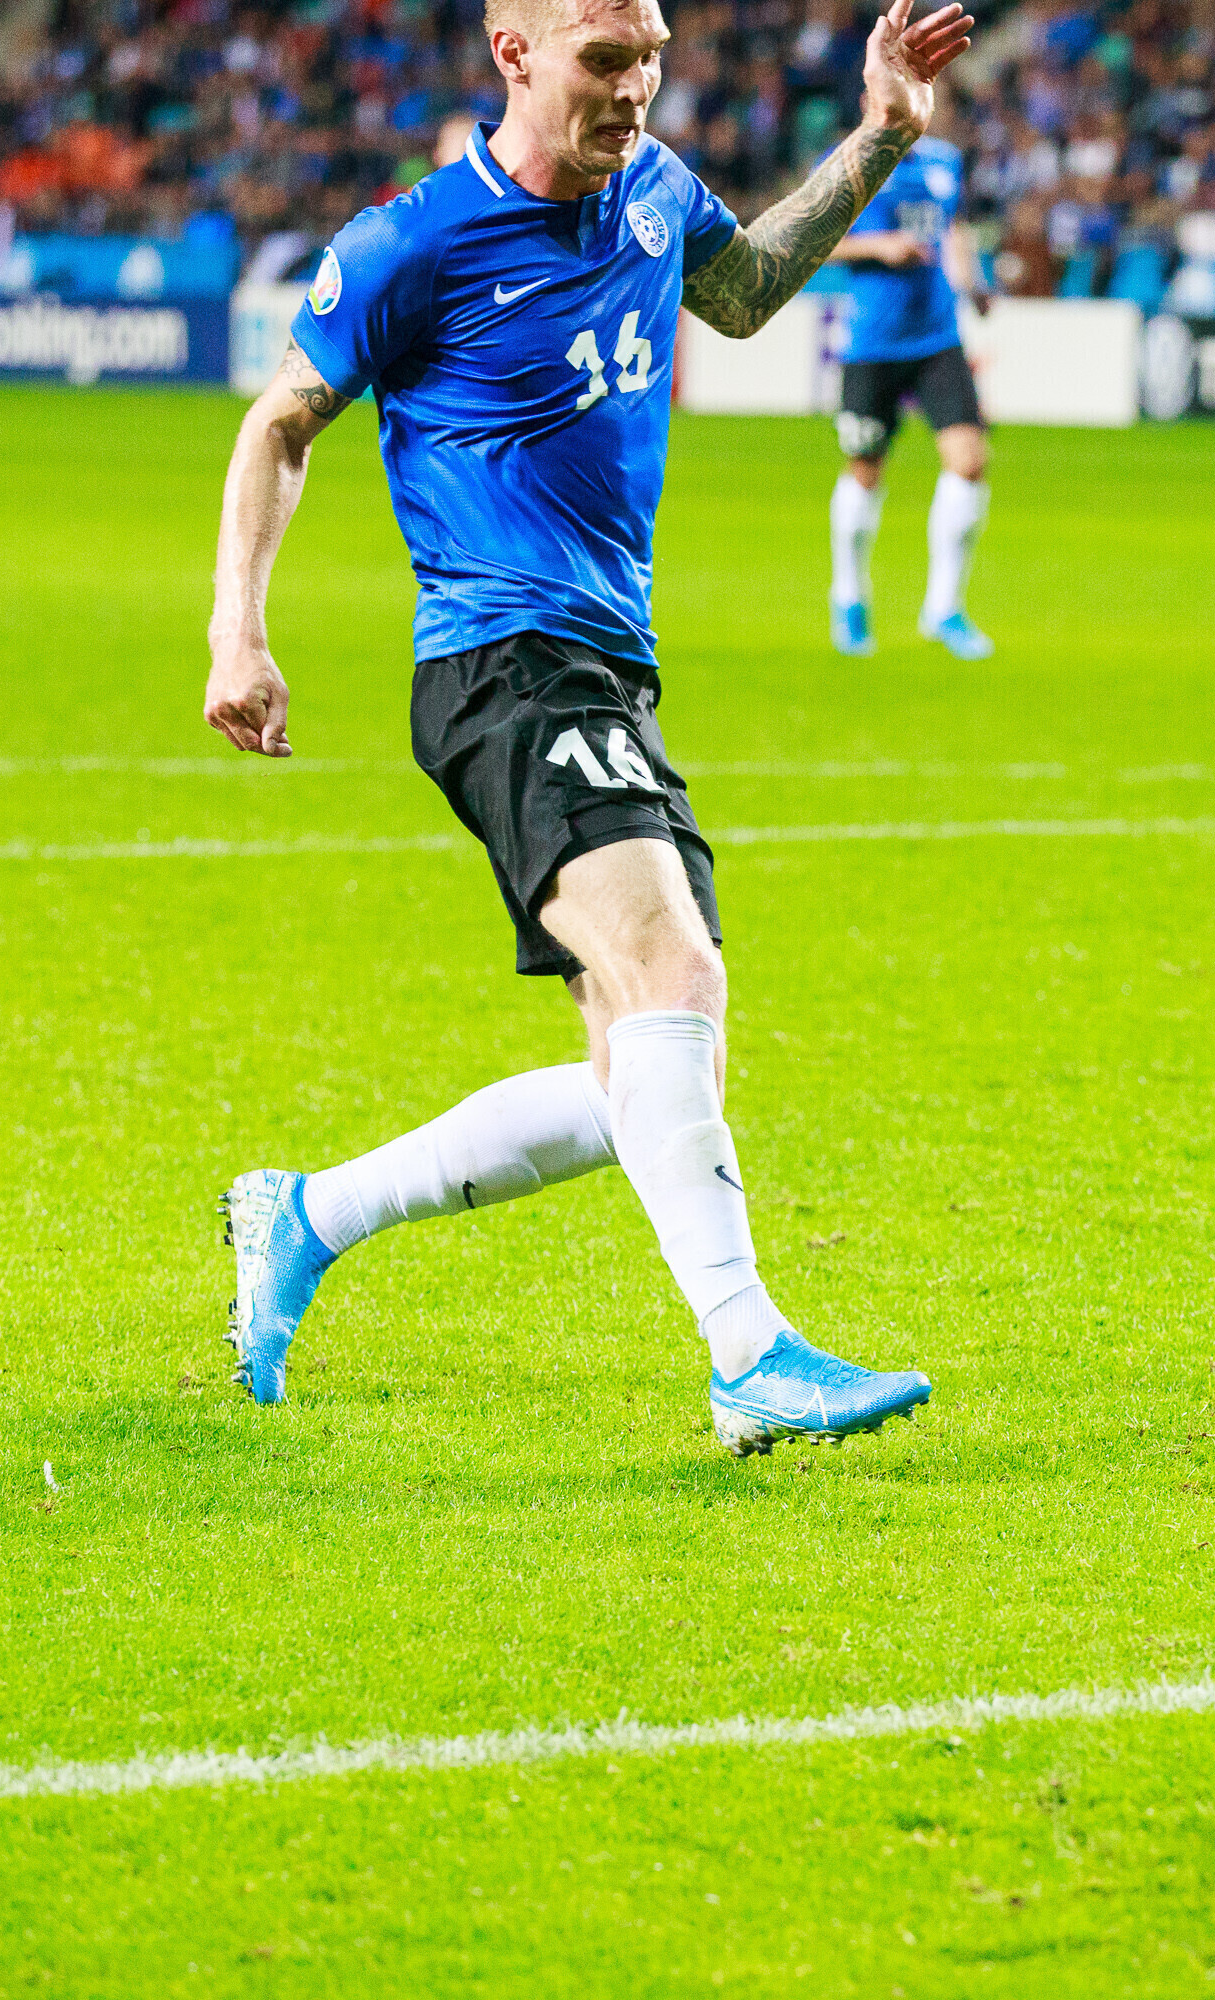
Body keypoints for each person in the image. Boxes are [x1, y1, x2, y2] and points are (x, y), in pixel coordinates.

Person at [196, 0, 974, 1454]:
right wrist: (238, 631)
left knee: (653, 1071)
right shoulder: (414, 242)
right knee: (673, 965)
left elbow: (741, 292)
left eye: (653, 56)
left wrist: (879, 136)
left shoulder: (655, 189)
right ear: (516, 56)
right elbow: (277, 425)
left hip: (611, 667)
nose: (637, 88)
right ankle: (750, 1355)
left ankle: (305, 1215)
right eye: (607, 61)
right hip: (501, 661)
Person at [823, 123, 993, 660]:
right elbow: (812, 244)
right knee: (865, 470)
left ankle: (944, 608)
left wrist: (973, 283)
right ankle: (849, 596)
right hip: (871, 343)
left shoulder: (944, 161)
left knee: (969, 460)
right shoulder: (846, 163)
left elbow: (954, 228)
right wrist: (880, 246)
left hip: (938, 337)